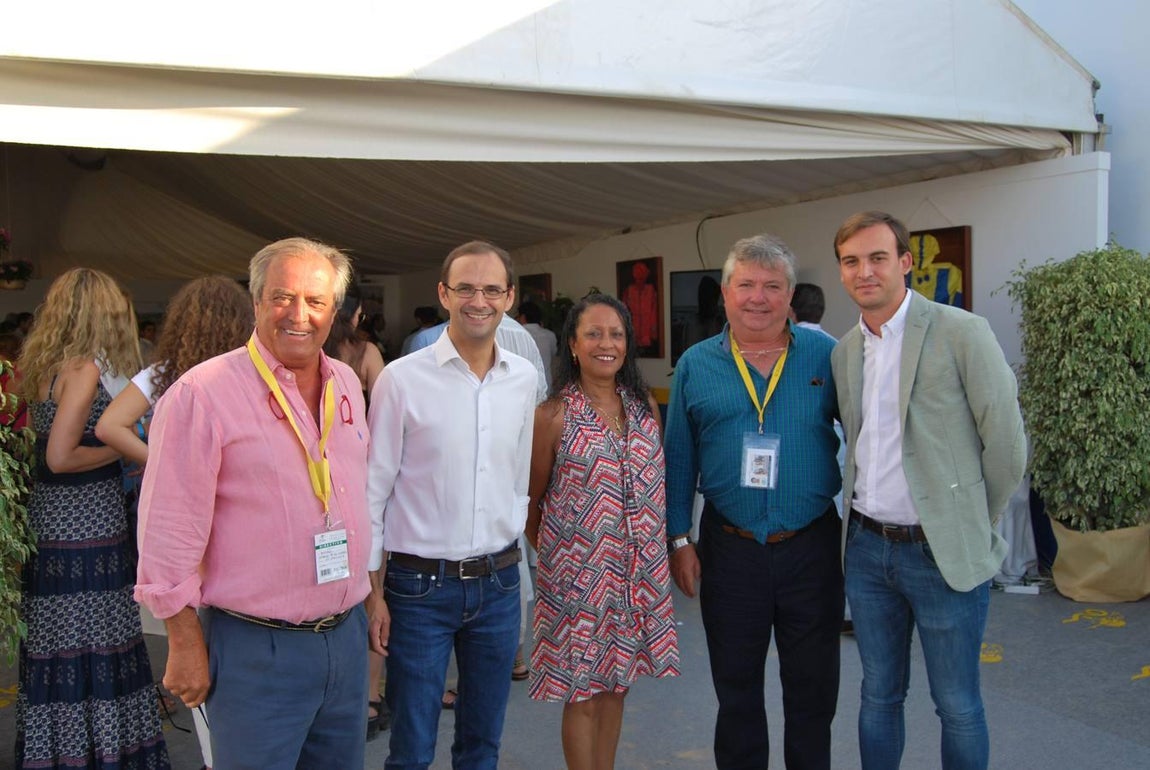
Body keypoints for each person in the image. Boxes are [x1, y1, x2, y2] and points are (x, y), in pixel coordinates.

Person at [135, 238, 372, 769]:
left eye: (315, 301)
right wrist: (184, 639)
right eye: (282, 297)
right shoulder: (203, 394)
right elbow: (168, 529)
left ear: (334, 311)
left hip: (345, 636)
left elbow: (358, 499)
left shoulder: (348, 385)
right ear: (257, 300)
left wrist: (370, 597)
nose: (298, 315)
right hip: (254, 647)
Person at [830, 211, 1026, 770]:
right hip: (867, 550)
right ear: (843, 272)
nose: (865, 271)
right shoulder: (846, 352)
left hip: (942, 553)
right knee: (877, 697)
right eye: (852, 262)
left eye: (877, 258)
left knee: (958, 705)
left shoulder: (961, 331)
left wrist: (967, 521)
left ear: (906, 263)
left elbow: (1007, 445)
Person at [664, 234, 843, 770]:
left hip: (810, 545)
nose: (758, 298)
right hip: (730, 547)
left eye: (772, 286)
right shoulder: (697, 364)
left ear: (791, 295)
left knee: (813, 693)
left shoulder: (827, 356)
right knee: (736, 691)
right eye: (746, 285)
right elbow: (678, 458)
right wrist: (679, 538)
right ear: (725, 293)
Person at [366, 240, 537, 769]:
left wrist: (522, 580)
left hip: (500, 584)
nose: (478, 300)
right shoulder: (401, 379)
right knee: (412, 749)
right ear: (444, 294)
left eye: (491, 289)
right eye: (465, 288)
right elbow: (374, 492)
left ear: (509, 297)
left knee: (482, 745)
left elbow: (518, 483)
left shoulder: (524, 379)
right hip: (419, 589)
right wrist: (374, 595)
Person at [95, 274, 253, 770]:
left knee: (195, 620)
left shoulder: (162, 373)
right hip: (235, 518)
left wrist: (161, 463)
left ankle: (214, 750)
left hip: (174, 526)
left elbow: (108, 426)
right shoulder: (246, 373)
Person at [15, 268, 170, 769]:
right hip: (84, 523)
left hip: (52, 523)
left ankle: (60, 752)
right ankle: (102, 752)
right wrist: (127, 448)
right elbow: (59, 457)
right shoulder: (83, 368)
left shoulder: (42, 365)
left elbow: (38, 448)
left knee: (58, 645)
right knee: (99, 640)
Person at [527, 294, 679, 770]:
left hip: (636, 578)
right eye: (593, 333)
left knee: (617, 686)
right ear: (573, 344)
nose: (606, 344)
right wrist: (566, 559)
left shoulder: (643, 409)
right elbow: (531, 503)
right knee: (583, 692)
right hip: (579, 583)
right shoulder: (553, 415)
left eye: (615, 334)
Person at [321, 278, 390, 740]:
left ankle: (328, 695)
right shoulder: (365, 354)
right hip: (360, 478)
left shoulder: (309, 354)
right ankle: (368, 698)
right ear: (359, 312)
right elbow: (384, 421)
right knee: (371, 590)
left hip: (314, 484)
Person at [517, 300, 558, 388]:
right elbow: (553, 353)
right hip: (546, 384)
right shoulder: (549, 335)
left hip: (523, 386)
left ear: (523, 317)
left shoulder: (517, 335)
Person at [621, 260, 658, 356]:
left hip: (647, 328)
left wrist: (653, 331)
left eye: (642, 276)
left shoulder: (651, 290)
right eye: (637, 276)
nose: (639, 279)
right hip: (633, 328)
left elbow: (654, 311)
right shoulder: (629, 290)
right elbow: (624, 311)